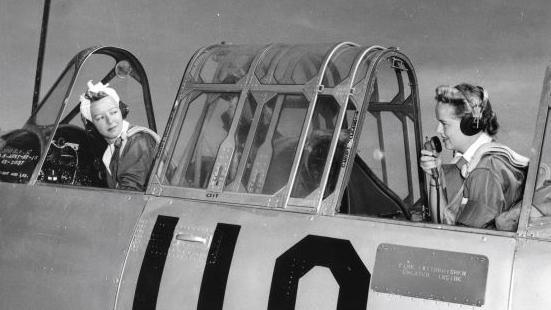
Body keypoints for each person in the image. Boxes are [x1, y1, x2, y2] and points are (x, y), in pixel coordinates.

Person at [420, 83, 529, 229]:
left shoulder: (484, 171)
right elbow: (444, 224)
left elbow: (468, 242)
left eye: (444, 124)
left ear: (470, 124)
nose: (438, 130)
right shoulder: (470, 162)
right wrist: (436, 178)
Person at [80, 80, 160, 191]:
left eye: (113, 112)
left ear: (121, 111)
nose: (110, 121)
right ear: (93, 125)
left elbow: (129, 196)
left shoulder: (138, 141)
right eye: (100, 118)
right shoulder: (112, 150)